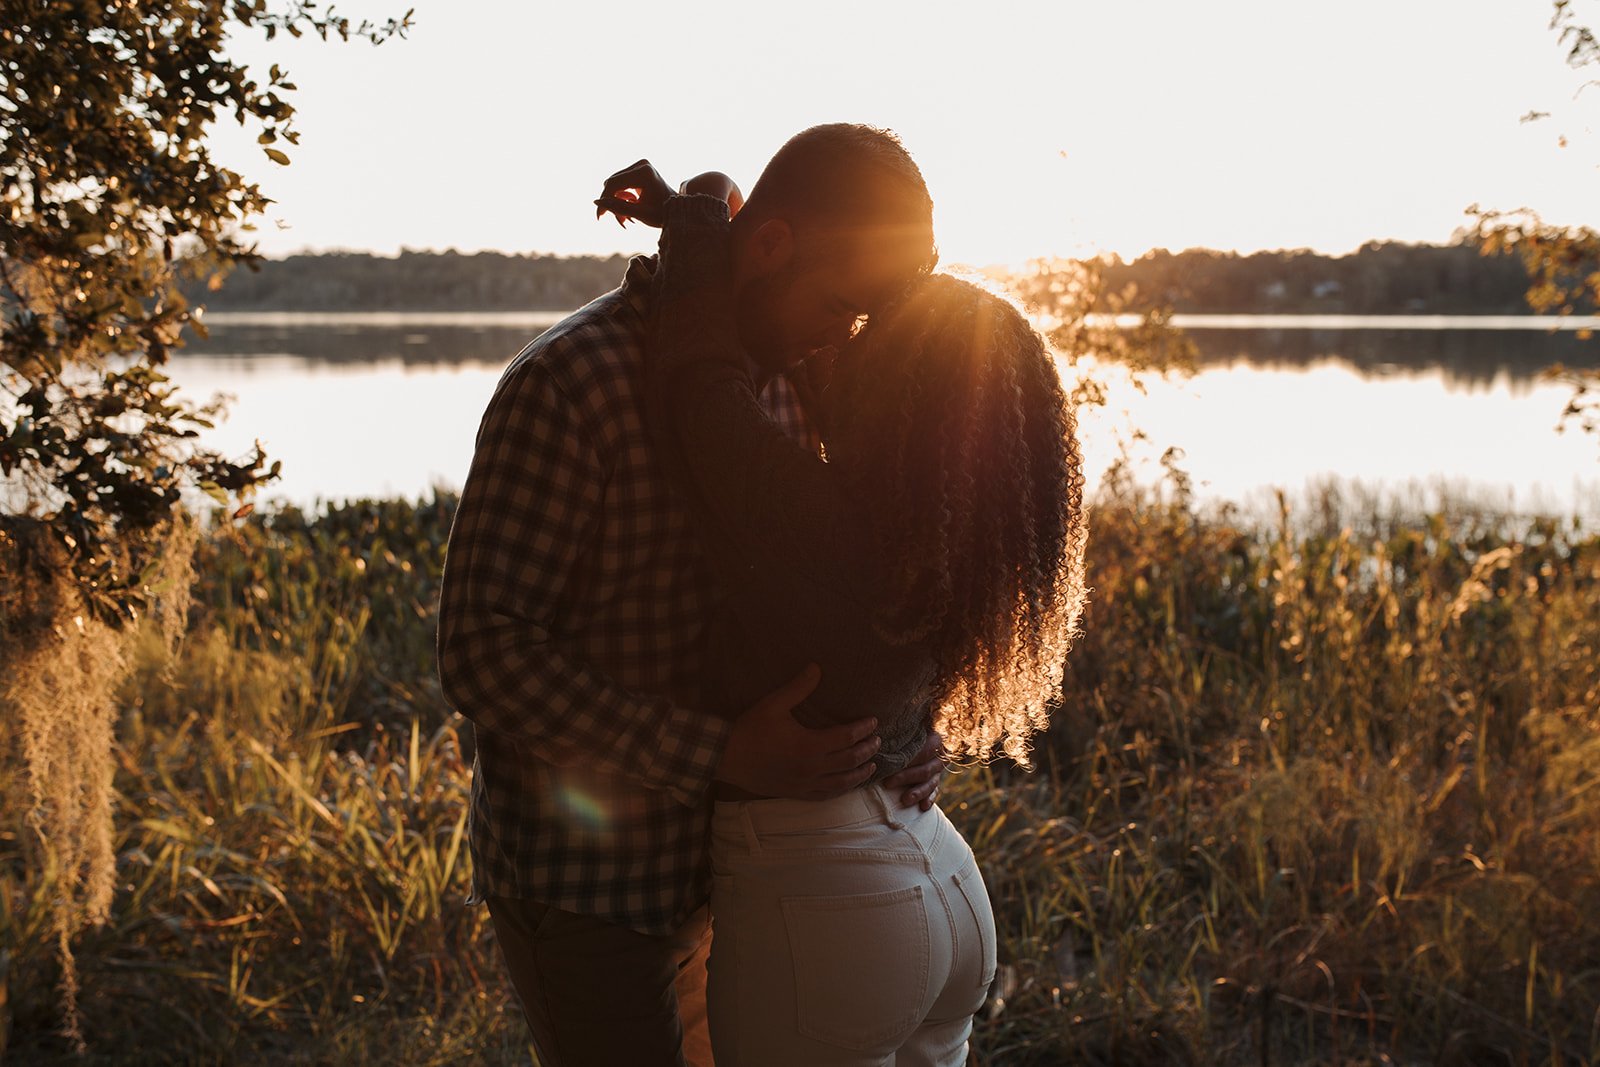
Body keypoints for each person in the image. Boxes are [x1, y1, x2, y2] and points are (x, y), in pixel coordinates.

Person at [436, 124, 949, 1067]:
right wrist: (719, 751)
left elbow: (846, 582)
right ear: (769, 243)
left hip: (747, 867)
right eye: (840, 304)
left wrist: (912, 725)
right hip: (589, 885)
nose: (847, 334)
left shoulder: (799, 383)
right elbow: (482, 648)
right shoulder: (572, 381)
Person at [592, 165, 1089, 1065]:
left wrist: (699, 224)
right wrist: (703, 211)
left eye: (867, 336)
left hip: (827, 897)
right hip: (940, 877)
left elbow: (703, 387)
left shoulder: (817, 521)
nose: (845, 343)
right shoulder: (943, 540)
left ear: (895, 398)